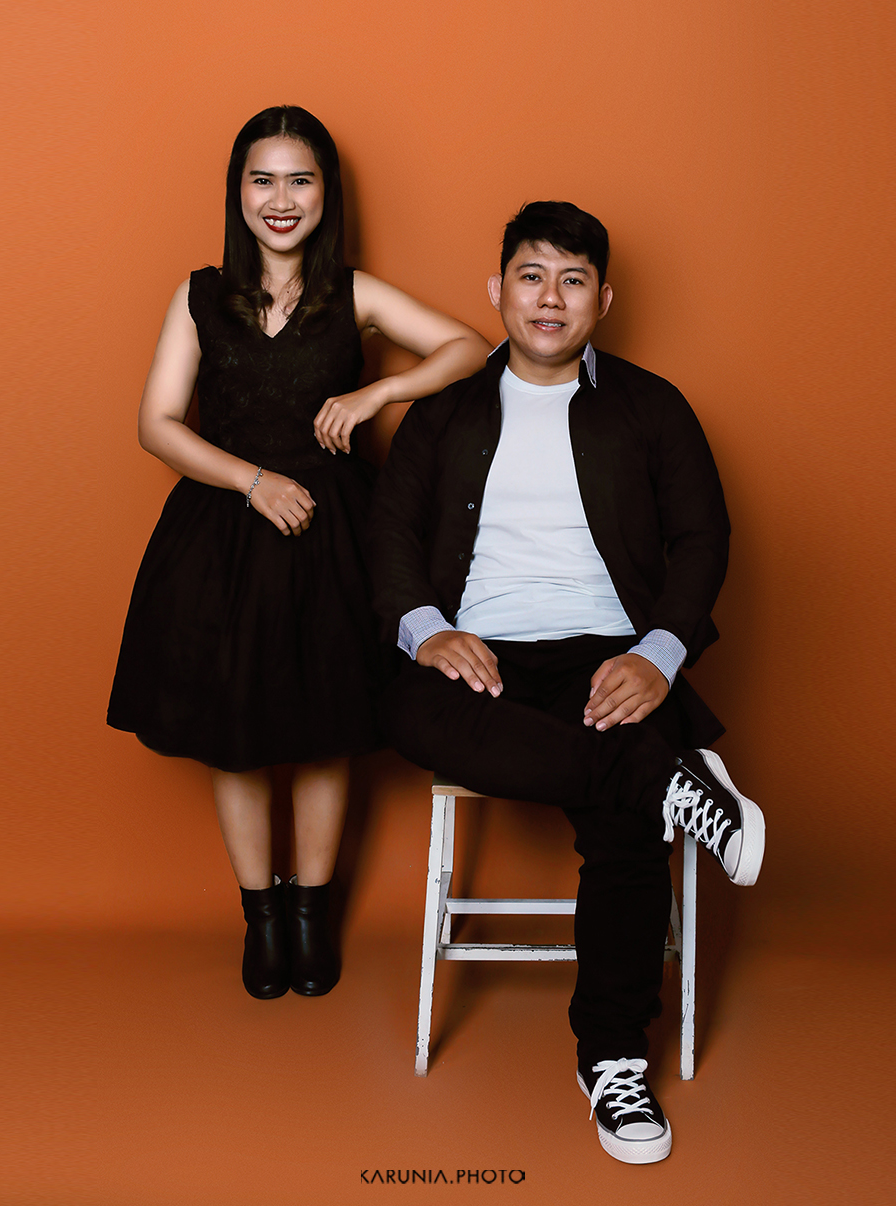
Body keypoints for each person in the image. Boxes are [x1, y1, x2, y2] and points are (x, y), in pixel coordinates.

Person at [371, 201, 765, 1165]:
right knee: (426, 712)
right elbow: (386, 536)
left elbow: (702, 538)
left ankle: (613, 1060)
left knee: (628, 822)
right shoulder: (445, 412)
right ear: (496, 289)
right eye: (533, 275)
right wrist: (428, 633)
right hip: (481, 654)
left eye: (573, 279)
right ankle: (674, 783)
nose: (550, 297)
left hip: (610, 653)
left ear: (603, 299)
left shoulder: (652, 406)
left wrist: (658, 655)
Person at [108, 106, 490, 1002]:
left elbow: (470, 348)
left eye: (301, 180)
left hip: (334, 539)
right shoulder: (198, 294)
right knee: (235, 742)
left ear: (327, 194)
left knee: (325, 732)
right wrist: (251, 482)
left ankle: (312, 915)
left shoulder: (352, 295)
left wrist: (377, 391)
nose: (281, 200)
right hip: (224, 538)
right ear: (239, 192)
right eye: (263, 180)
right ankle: (263, 919)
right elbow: (154, 424)